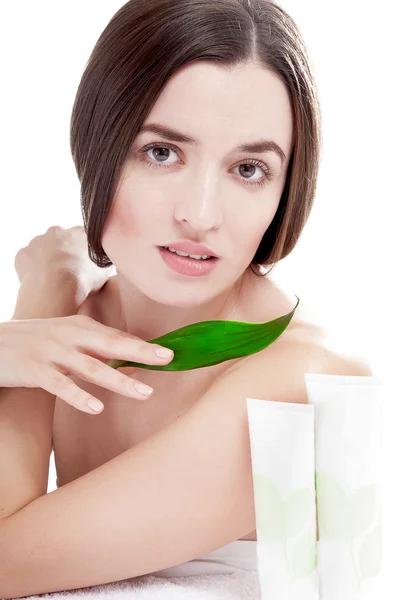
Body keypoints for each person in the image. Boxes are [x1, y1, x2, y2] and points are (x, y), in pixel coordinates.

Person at [0, 1, 373, 597]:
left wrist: (42, 299)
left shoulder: (300, 383)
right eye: (162, 152)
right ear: (97, 141)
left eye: (248, 169)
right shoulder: (75, 329)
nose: (199, 215)